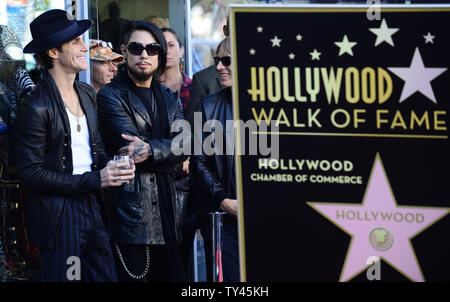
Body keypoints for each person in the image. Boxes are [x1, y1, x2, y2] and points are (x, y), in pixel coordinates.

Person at [14, 9, 135, 282]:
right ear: (54, 52)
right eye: (77, 42)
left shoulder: (86, 93)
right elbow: (31, 174)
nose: (85, 47)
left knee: (105, 277)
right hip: (60, 216)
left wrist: (117, 164)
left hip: (93, 205)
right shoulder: (36, 105)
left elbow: (96, 151)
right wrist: (94, 179)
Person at [97, 20, 188, 282]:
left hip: (169, 213)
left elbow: (186, 144)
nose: (144, 55)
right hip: (132, 214)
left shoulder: (169, 97)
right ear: (124, 51)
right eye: (137, 47)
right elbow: (130, 152)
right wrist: (174, 161)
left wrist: (150, 149)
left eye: (152, 48)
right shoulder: (111, 96)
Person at [192, 37, 240, 282]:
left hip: (266, 216)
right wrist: (223, 200)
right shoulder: (208, 106)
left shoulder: (275, 106)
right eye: (217, 61)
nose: (219, 67)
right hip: (224, 218)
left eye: (227, 60)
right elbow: (199, 163)